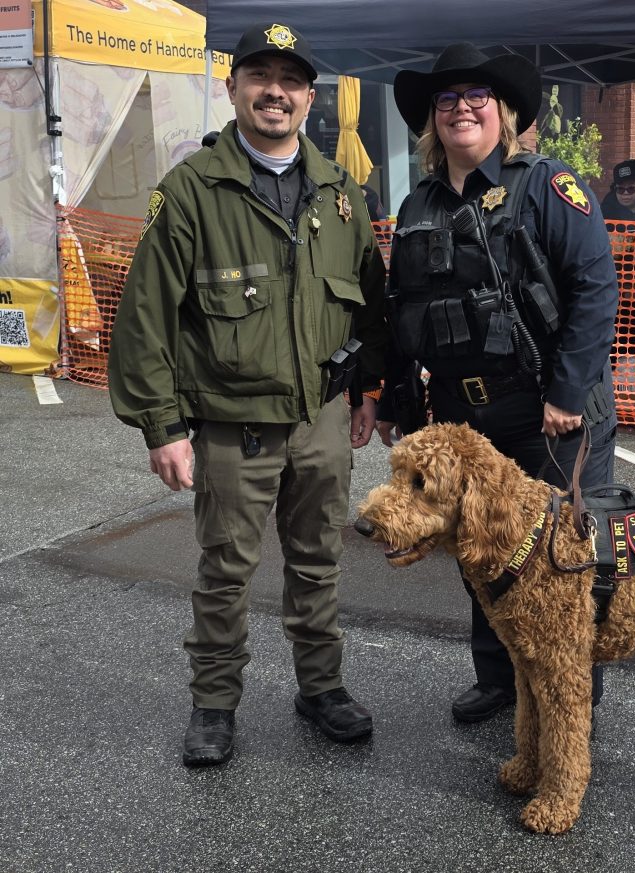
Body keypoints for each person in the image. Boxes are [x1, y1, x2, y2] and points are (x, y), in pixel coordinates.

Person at [107, 22, 389, 767]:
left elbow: (371, 303)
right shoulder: (194, 191)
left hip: (322, 418)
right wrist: (162, 426)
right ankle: (214, 702)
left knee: (319, 559)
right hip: (234, 426)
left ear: (309, 96)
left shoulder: (340, 194)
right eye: (259, 76)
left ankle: (321, 686)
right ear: (232, 87)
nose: (276, 92)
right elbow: (145, 316)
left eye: (291, 80)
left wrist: (368, 391)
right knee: (225, 571)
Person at [376, 43, 619, 724]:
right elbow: (402, 312)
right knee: (483, 549)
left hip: (553, 415)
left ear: (503, 113)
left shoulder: (546, 185)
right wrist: (401, 403)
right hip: (466, 419)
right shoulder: (417, 204)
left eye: (477, 96)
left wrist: (569, 392)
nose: (462, 108)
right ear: (432, 120)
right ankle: (499, 678)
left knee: (566, 555)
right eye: (447, 99)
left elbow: (595, 289)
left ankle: (575, 696)